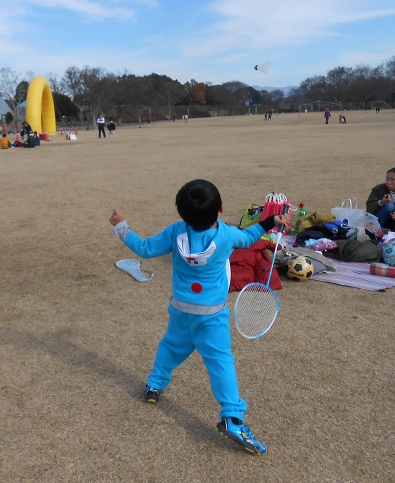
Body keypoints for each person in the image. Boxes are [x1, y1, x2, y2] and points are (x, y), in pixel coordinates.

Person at [109, 179, 291, 455]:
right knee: (220, 362)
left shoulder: (175, 232)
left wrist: (121, 226)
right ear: (221, 208)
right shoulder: (227, 235)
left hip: (181, 309)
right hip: (212, 317)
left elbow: (145, 248)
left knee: (171, 346)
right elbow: (250, 235)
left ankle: (154, 386)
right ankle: (232, 417)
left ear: (181, 212)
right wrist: (270, 222)